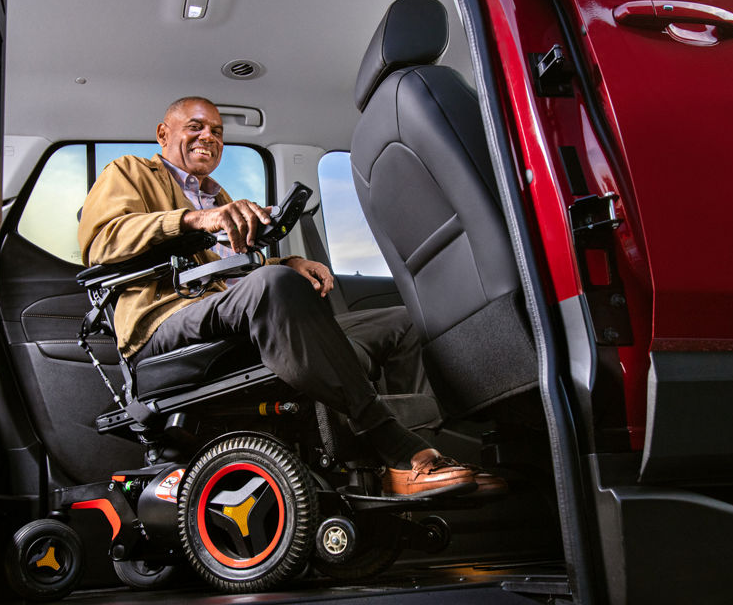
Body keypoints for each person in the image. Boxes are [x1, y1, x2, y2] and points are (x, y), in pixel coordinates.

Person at [78, 96, 500, 496]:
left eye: (218, 131)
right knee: (273, 288)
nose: (210, 136)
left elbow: (236, 275)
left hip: (229, 314)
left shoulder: (219, 195)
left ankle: (418, 458)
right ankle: (395, 445)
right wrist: (196, 219)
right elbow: (102, 241)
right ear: (163, 134)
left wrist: (288, 263)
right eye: (196, 127)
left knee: (401, 323)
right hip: (165, 319)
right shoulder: (129, 172)